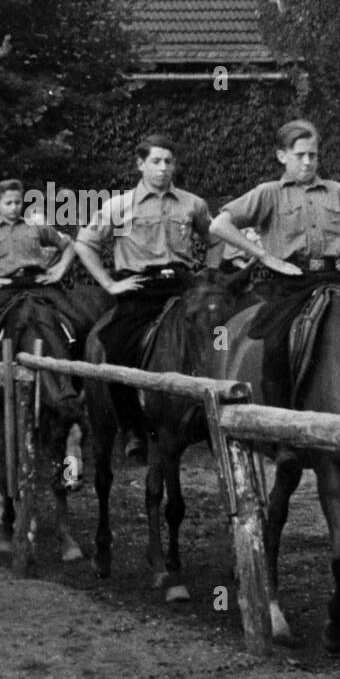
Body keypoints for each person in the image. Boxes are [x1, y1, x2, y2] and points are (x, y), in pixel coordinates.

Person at [209, 118, 340, 407]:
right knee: (277, 343)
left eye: (313, 155)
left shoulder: (336, 191)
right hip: (290, 283)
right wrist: (265, 257)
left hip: (333, 278)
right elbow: (219, 225)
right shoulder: (269, 193)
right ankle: (281, 428)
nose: (307, 162)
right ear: (282, 156)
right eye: (300, 155)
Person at [74, 134, 213, 460]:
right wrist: (109, 284)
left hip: (182, 287)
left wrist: (210, 273)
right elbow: (85, 243)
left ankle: (211, 419)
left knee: (217, 336)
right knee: (116, 347)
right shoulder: (119, 206)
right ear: (140, 164)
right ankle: (132, 426)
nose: (163, 168)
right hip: (138, 290)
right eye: (156, 161)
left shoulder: (192, 204)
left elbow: (214, 237)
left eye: (169, 161)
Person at [0, 179, 79, 421]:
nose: (14, 207)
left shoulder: (36, 227)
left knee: (76, 320)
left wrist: (59, 270)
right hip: (3, 287)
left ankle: (76, 386)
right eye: (8, 203)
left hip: (37, 283)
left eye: (18, 202)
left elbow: (68, 245)